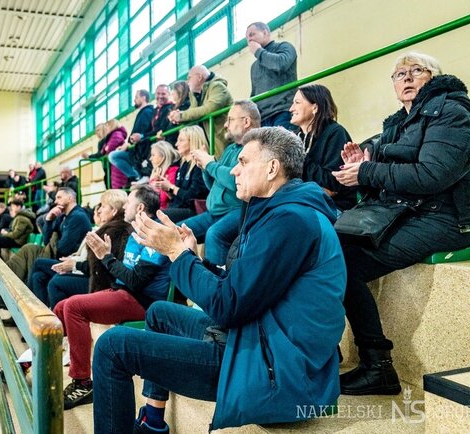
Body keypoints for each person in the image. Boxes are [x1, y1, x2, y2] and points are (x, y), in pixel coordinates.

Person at [92, 127, 347, 433]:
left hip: (274, 368)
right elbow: (240, 289)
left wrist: (176, 253)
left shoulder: (291, 221)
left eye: (243, 162)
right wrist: (191, 258)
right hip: (257, 338)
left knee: (112, 346)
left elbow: (228, 306)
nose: (234, 171)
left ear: (272, 169)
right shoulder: (278, 213)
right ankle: (153, 423)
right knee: (159, 313)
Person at [332, 52, 470, 395]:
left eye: (417, 70)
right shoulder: (399, 123)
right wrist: (362, 167)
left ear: (435, 77)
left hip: (445, 218)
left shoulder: (452, 112)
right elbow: (389, 180)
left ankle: (378, 367)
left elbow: (432, 175)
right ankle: (326, 346)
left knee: (343, 263)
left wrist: (368, 171)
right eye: (399, 74)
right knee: (327, 247)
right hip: (407, 211)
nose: (407, 78)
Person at [56, 185, 172, 410]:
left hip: (142, 301)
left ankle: (82, 382)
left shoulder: (156, 235)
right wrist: (106, 258)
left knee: (73, 307)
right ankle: (31, 359)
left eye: (128, 202)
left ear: (140, 208)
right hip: (123, 292)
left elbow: (136, 281)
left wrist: (107, 258)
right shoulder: (135, 233)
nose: (125, 206)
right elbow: (122, 274)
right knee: (61, 307)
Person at [177, 100, 260, 266]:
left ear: (246, 121)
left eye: (230, 119)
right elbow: (214, 185)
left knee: (214, 234)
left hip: (238, 210)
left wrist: (210, 164)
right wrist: (204, 166)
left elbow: (235, 180)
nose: (226, 125)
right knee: (177, 232)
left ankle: (217, 280)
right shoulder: (230, 149)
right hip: (213, 213)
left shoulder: (255, 147)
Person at [29, 190, 131, 308]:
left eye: (103, 206)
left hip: (99, 280)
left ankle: (32, 307)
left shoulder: (111, 231)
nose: (99, 210)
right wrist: (48, 220)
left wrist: (74, 264)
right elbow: (48, 241)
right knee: (38, 276)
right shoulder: (65, 217)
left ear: (114, 211)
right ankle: (36, 311)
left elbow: (64, 249)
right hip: (85, 268)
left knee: (53, 279)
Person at [289, 84, 356, 211]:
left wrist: (298, 155)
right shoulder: (296, 137)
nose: (291, 109)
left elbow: (332, 185)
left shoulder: (335, 133)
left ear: (315, 107)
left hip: (334, 208)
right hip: (304, 203)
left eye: (297, 103)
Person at [7, 188, 91, 282]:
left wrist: (53, 240)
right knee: (28, 249)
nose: (55, 201)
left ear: (70, 198)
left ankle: (12, 281)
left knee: (36, 265)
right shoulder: (62, 216)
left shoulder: (77, 217)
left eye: (59, 197)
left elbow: (63, 249)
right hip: (53, 252)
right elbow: (46, 240)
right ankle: (7, 276)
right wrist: (48, 220)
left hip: (66, 259)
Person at [109, 85, 174, 184]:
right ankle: (138, 176)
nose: (160, 96)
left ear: (143, 98)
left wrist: (140, 138)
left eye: (163, 94)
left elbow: (154, 129)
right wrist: (130, 142)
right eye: (158, 94)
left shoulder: (153, 111)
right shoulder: (155, 110)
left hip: (147, 149)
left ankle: (138, 176)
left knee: (114, 156)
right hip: (144, 149)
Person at [168, 65, 233, 157]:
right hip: (207, 142)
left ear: (199, 77)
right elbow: (193, 112)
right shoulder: (195, 94)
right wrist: (176, 117)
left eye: (189, 78)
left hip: (221, 139)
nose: (187, 82)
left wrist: (181, 116)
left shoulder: (217, 86)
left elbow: (210, 108)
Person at [246, 22, 297, 128]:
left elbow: (280, 64)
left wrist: (258, 51)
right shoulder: (254, 66)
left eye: (252, 34)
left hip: (283, 111)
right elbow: (255, 93)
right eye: (247, 38)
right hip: (263, 118)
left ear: (265, 33)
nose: (249, 40)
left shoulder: (285, 47)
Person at [154, 126, 209, 222]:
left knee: (158, 218)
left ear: (192, 141)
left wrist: (171, 187)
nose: (176, 144)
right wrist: (166, 188)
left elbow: (191, 198)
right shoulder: (183, 165)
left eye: (181, 140)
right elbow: (177, 196)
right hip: (179, 207)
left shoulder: (200, 164)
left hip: (193, 211)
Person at [86, 120, 129, 189]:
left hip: (112, 165)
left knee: (114, 185)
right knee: (109, 184)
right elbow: (103, 151)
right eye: (96, 131)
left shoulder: (112, 136)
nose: (97, 133)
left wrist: (89, 156)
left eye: (98, 130)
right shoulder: (106, 139)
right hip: (107, 166)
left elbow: (105, 150)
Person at [155, 80, 191, 145]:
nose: (172, 93)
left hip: (178, 143)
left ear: (179, 91)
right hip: (173, 142)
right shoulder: (175, 107)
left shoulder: (186, 106)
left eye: (174, 90)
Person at [148, 141, 180, 210]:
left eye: (153, 155)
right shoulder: (156, 172)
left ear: (163, 156)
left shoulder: (174, 172)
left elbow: (163, 199)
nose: (150, 159)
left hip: (166, 211)